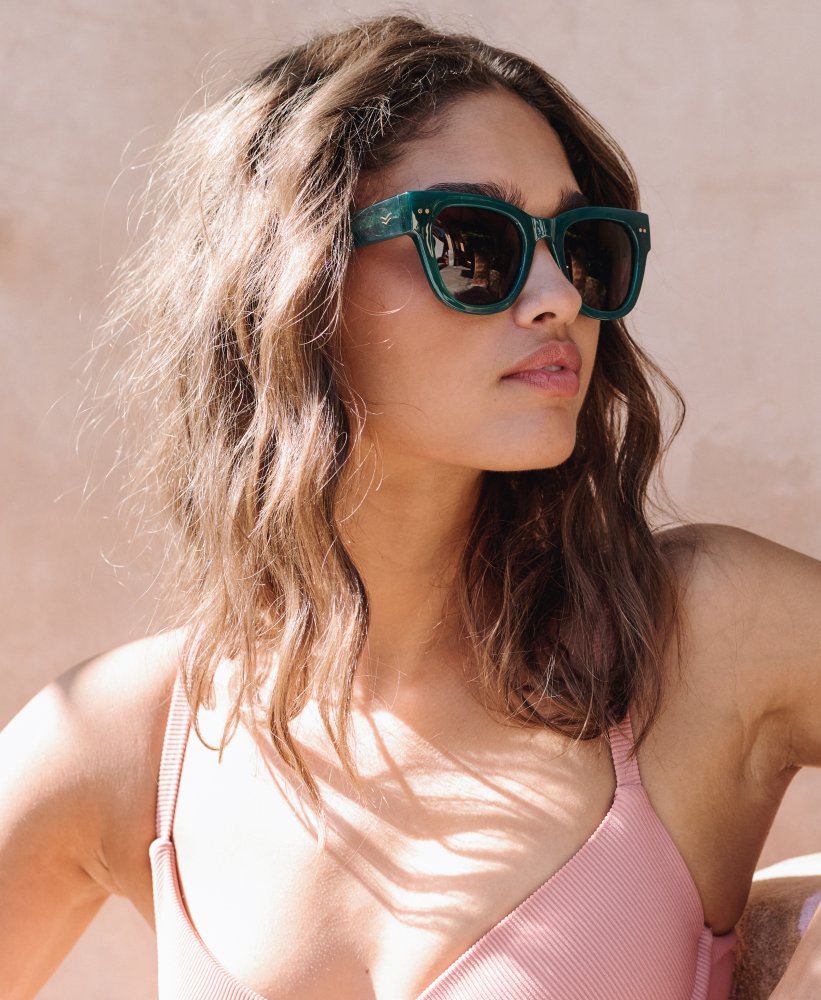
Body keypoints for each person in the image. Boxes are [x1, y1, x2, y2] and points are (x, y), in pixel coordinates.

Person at [1, 12, 820, 1000]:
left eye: (583, 247)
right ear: (293, 280)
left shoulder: (705, 637)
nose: (558, 295)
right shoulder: (128, 737)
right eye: (474, 244)